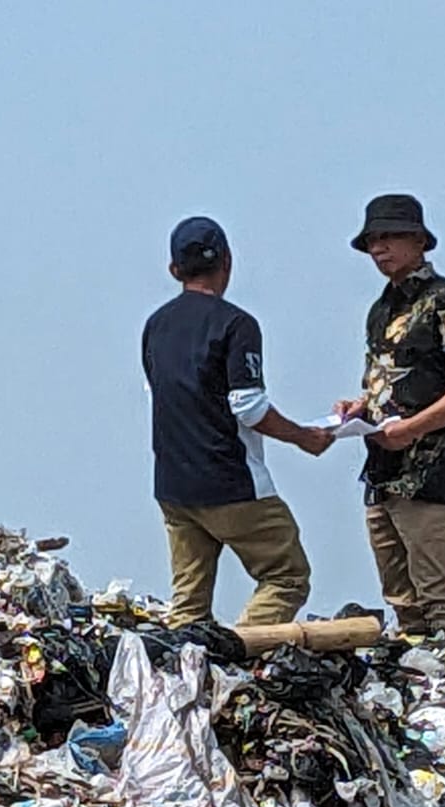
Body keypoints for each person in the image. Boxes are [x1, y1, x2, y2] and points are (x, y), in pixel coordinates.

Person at [142, 216, 333, 627]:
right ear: (228, 262)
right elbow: (248, 407)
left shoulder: (156, 325)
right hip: (230, 482)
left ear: (174, 270)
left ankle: (188, 676)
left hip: (174, 485)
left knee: (188, 606)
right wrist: (304, 437)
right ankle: (239, 652)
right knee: (286, 576)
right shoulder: (236, 324)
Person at [335, 194, 445, 641]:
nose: (379, 249)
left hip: (432, 469)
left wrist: (412, 428)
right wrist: (360, 407)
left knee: (438, 592)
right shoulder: (381, 309)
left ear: (419, 240)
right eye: (373, 241)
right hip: (383, 469)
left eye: (389, 237)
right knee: (401, 597)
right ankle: (422, 687)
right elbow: (387, 381)